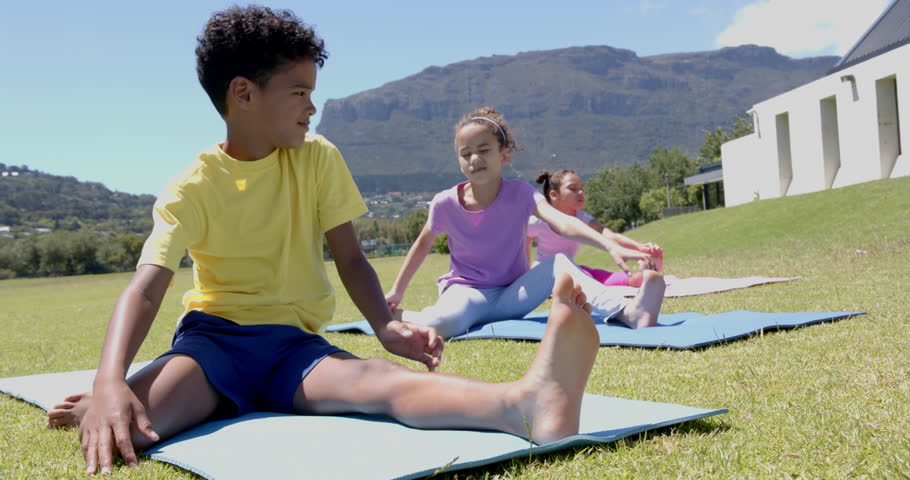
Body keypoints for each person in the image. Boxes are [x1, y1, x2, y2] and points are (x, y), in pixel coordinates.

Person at [44, 6, 605, 475]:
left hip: (295, 349)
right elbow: (146, 288)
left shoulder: (318, 159)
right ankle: (101, 399)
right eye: (299, 92)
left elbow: (350, 255)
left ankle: (526, 404)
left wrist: (386, 326)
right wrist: (108, 381)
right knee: (128, 429)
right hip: (213, 348)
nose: (312, 106)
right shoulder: (192, 186)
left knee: (384, 386)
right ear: (243, 93)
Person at [385, 107, 666, 339]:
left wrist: (608, 244)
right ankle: (396, 315)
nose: (474, 158)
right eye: (465, 153)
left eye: (484, 149)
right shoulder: (445, 202)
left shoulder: (520, 193)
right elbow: (422, 246)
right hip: (466, 294)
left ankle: (629, 312)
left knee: (558, 263)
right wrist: (397, 291)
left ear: (504, 154)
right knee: (438, 326)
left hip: (513, 296)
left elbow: (561, 221)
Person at [527, 169, 664, 288]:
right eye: (573, 188)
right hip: (544, 275)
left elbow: (608, 235)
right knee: (584, 276)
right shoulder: (539, 220)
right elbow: (522, 242)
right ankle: (639, 279)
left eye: (582, 188)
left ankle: (640, 278)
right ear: (554, 195)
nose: (580, 192)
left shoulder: (582, 217)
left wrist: (641, 248)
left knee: (592, 273)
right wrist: (524, 275)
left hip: (573, 269)